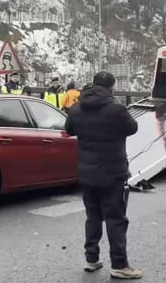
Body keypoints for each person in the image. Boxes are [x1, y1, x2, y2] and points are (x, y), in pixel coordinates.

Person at [64, 71, 143, 280]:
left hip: (87, 173)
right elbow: (133, 128)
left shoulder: (77, 108)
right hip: (113, 174)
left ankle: (91, 258)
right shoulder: (116, 109)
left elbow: (68, 129)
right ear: (111, 87)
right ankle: (119, 265)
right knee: (116, 219)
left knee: (93, 217)